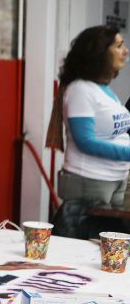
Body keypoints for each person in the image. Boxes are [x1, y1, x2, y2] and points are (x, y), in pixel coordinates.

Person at [47, 25, 130, 209]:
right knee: (87, 238)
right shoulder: (80, 90)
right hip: (90, 181)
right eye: (118, 46)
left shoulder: (104, 90)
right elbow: (85, 141)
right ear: (99, 53)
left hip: (115, 179)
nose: (125, 51)